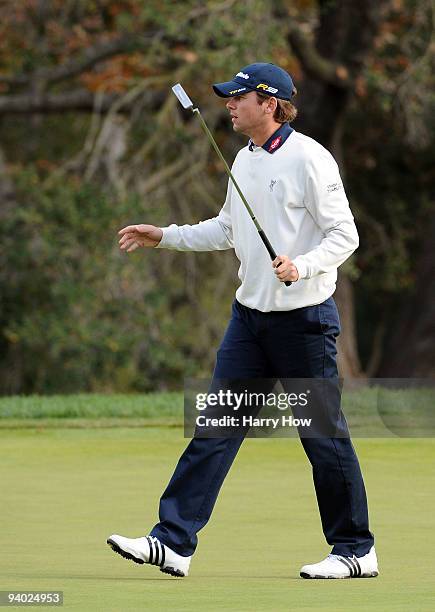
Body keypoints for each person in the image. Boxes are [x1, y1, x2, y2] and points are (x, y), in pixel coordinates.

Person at [107, 62, 378, 579]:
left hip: (304, 323)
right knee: (215, 428)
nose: (229, 105)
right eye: (228, 98)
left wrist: (302, 265)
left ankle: (356, 550)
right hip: (250, 322)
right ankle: (173, 543)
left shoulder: (310, 158)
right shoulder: (245, 159)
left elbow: (345, 236)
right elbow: (227, 229)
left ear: (269, 103)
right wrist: (165, 235)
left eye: (238, 98)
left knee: (322, 437)